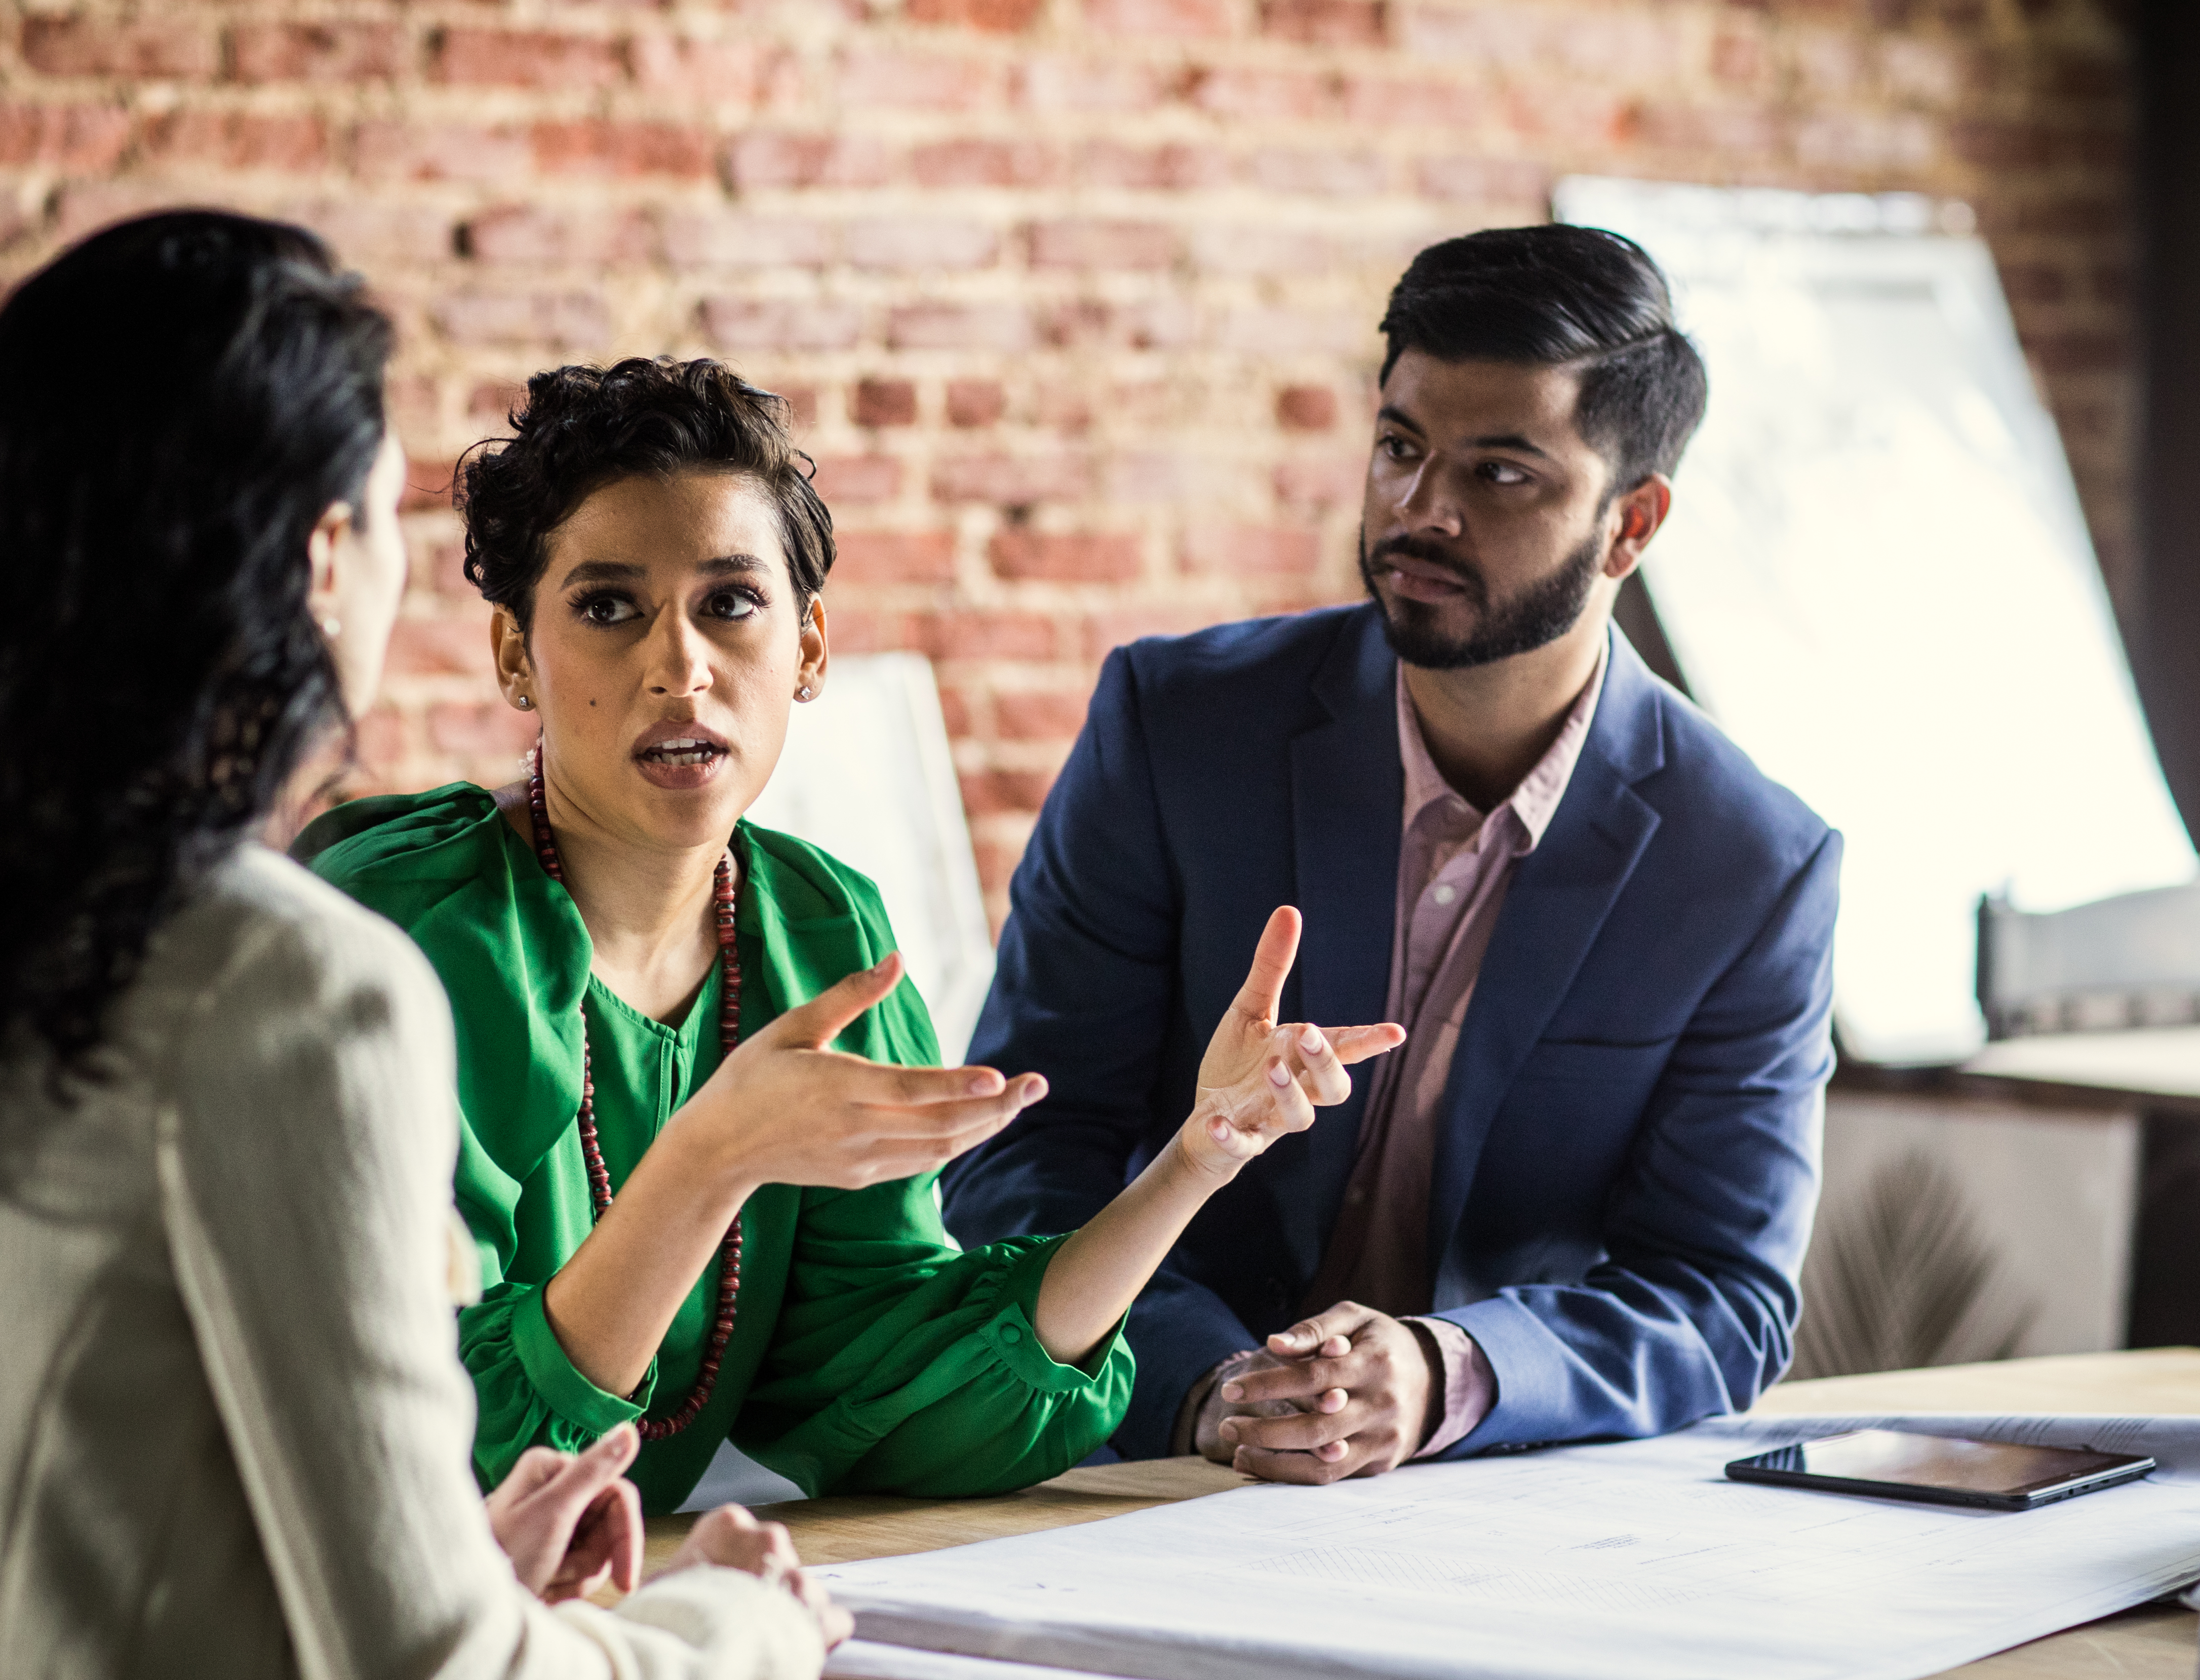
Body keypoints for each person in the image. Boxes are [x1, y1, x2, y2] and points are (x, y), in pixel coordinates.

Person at [0, 212, 853, 1680]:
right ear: (326, 558)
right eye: (390, 518)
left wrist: (447, 1563)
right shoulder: (301, 986)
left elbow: (82, 1536)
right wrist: (735, 1632)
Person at [298, 357, 1400, 1516]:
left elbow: (890, 1391)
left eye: (731, 603)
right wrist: (709, 1159)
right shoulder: (403, 929)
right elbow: (413, 1451)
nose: (680, 667)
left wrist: (1196, 1159)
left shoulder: (819, 933)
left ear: (810, 648)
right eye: (608, 607)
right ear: (517, 655)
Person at [943, 224, 1842, 1483]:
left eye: (1502, 475)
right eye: (1400, 449)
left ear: (1630, 524)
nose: (1421, 511)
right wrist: (1210, 1379)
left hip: (1497, 1499)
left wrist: (1443, 1373)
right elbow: (1020, 1147)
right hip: (1148, 1459)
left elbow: (1724, 1297)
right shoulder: (1177, 730)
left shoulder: (1749, 866)